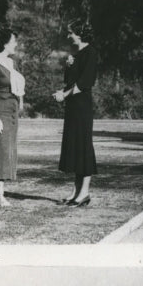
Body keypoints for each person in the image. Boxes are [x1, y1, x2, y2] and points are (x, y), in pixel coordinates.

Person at [53, 22, 98, 207]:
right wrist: (69, 66)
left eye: (71, 33)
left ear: (79, 34)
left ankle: (85, 192)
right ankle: (76, 192)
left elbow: (85, 82)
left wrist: (64, 95)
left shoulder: (91, 53)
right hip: (73, 107)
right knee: (75, 147)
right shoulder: (76, 55)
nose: (68, 36)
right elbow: (70, 81)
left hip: (82, 107)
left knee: (84, 146)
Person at [0, 26, 25, 208]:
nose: (15, 44)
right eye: (13, 41)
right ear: (4, 43)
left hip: (12, 111)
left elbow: (17, 85)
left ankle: (1, 193)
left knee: (8, 151)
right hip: (0, 111)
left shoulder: (11, 63)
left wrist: (20, 104)